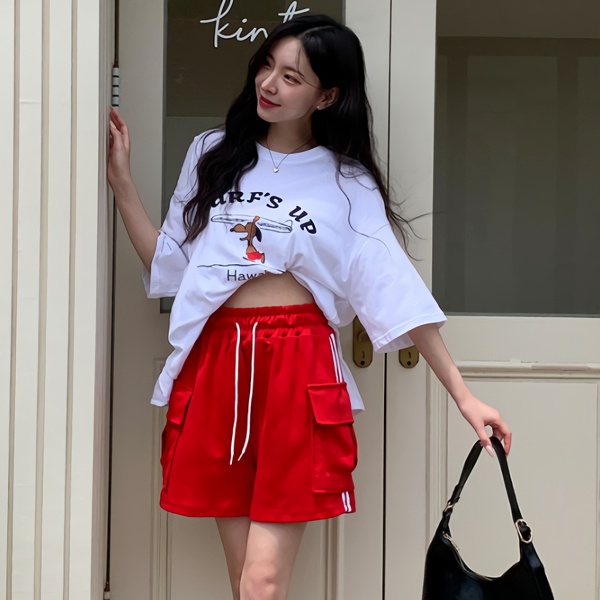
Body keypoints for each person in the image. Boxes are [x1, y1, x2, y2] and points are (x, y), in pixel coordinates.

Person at [107, 14, 511, 600]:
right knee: (245, 580)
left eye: (292, 76)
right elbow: (170, 267)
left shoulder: (347, 181)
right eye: (266, 66)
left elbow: (394, 286)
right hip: (218, 359)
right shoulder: (212, 153)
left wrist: (464, 395)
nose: (269, 83)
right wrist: (121, 183)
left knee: (262, 582)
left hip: (298, 362)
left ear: (327, 96)